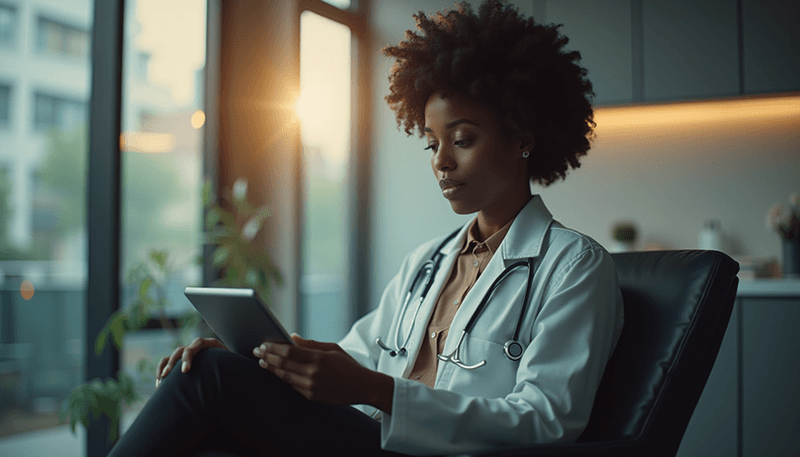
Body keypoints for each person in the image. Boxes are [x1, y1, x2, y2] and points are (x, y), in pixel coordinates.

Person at [107, 1, 623, 456]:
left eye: (462, 139)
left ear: (523, 138)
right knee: (213, 419)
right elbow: (355, 357)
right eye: (431, 143)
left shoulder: (574, 268)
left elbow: (545, 420)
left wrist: (378, 390)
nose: (441, 161)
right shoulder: (428, 262)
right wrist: (264, 362)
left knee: (210, 381)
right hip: (372, 438)